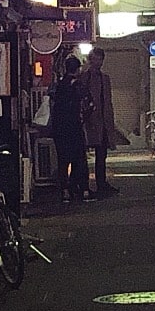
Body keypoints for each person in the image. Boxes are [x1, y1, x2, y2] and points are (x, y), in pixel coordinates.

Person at [80, 49, 125, 196]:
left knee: (102, 154)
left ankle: (101, 183)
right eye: (95, 59)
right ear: (90, 60)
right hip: (90, 121)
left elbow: (108, 102)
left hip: (104, 121)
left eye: (100, 60)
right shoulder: (84, 78)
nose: (97, 62)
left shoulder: (105, 79)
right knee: (82, 155)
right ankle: (83, 185)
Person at [50, 55, 88, 201]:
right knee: (78, 159)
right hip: (74, 126)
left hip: (59, 128)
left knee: (63, 160)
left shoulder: (58, 85)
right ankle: (78, 188)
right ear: (77, 69)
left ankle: (64, 190)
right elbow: (87, 103)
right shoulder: (77, 85)